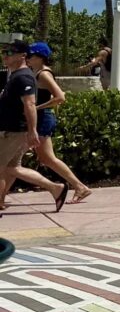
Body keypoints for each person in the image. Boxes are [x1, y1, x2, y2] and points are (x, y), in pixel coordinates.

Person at [0, 40, 66, 213]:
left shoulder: (24, 77)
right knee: (12, 168)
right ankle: (55, 188)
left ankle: (63, 187)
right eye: (4, 53)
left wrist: (32, 130)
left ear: (22, 56)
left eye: (10, 53)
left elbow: (30, 105)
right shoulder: (17, 75)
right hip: (13, 129)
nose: (5, 56)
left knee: (6, 167)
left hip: (14, 131)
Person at [25, 43, 86, 204]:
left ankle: (79, 187)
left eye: (30, 56)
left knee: (47, 159)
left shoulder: (44, 74)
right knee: (43, 159)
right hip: (41, 118)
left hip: (43, 118)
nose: (27, 58)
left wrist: (36, 107)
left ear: (40, 57)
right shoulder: (37, 72)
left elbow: (60, 97)